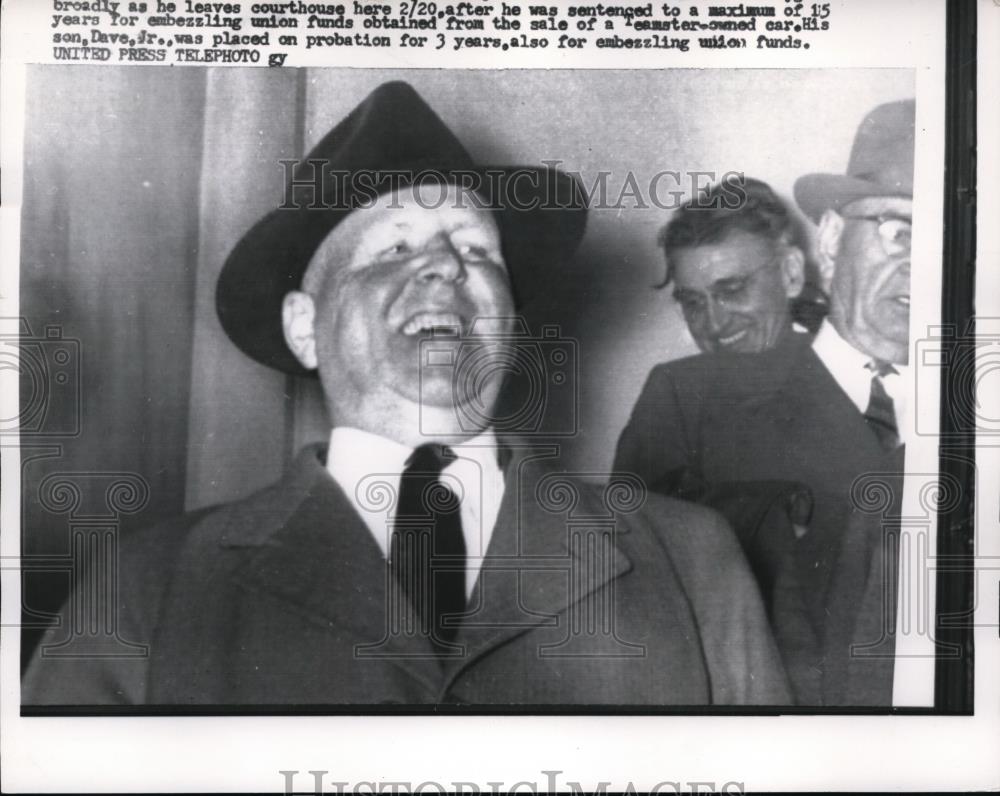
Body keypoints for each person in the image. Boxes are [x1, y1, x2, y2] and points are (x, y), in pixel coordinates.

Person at [23, 82, 788, 707]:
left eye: (475, 248)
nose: (446, 268)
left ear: (511, 317)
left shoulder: (690, 560)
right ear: (303, 327)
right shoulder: (146, 588)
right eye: (392, 247)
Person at [614, 99, 914, 706]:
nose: (715, 324)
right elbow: (625, 589)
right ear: (829, 242)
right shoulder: (685, 397)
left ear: (794, 272)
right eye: (896, 231)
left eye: (733, 290)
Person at [656, 176, 827, 355]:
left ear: (791, 274)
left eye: (732, 291)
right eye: (693, 302)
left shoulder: (845, 372)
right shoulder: (678, 381)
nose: (715, 325)